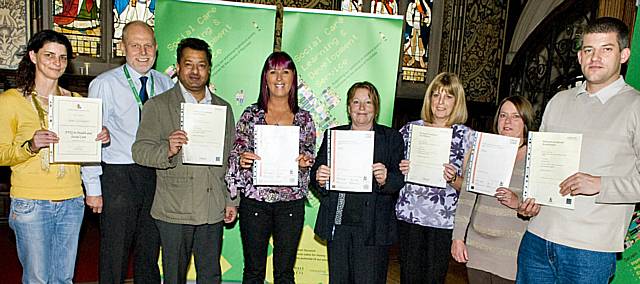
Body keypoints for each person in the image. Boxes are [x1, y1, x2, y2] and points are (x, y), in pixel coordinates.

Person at [516, 17, 640, 284]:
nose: (595, 57)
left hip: (590, 248)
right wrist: (531, 199)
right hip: (537, 237)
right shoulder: (559, 101)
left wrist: (600, 184)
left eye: (606, 49)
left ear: (624, 55)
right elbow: (540, 164)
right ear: (579, 56)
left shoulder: (635, 107)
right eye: (588, 50)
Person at [0, 30, 109, 283]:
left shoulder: (77, 101)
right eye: (49, 55)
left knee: (64, 278)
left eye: (62, 57)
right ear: (33, 56)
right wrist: (30, 145)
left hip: (72, 200)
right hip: (31, 201)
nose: (56, 62)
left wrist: (100, 138)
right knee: (37, 278)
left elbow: (86, 154)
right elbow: (2, 154)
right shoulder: (11, 101)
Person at [132, 37, 237, 284]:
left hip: (212, 207)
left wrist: (231, 199)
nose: (195, 71)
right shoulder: (158, 106)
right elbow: (139, 151)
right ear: (178, 67)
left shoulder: (223, 108)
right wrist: (167, 149)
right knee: (174, 276)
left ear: (209, 69)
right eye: (188, 64)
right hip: (174, 209)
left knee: (210, 275)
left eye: (201, 65)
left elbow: (231, 157)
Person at [81, 20, 174, 284]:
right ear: (123, 47)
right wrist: (93, 188)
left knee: (149, 248)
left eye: (148, 46)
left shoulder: (166, 84)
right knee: (115, 251)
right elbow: (91, 137)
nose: (143, 52)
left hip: (156, 175)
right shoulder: (104, 84)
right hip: (118, 175)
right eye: (135, 45)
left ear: (156, 49)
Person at [225, 51, 316, 283]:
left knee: (285, 273)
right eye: (273, 71)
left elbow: (309, 157)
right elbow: (235, 154)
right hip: (255, 202)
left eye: (285, 71)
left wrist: (305, 164)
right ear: (265, 77)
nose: (279, 77)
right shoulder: (250, 115)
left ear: (293, 78)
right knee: (254, 270)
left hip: (291, 204)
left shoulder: (304, 119)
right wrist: (242, 159)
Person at [312, 81, 404, 283]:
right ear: (348, 107)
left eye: (368, 102)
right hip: (339, 225)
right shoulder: (333, 136)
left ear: (376, 108)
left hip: (374, 227)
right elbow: (315, 175)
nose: (362, 108)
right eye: (356, 102)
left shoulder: (391, 138)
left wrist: (386, 179)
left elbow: (399, 178)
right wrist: (320, 177)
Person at [451, 96, 540, 284]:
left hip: (512, 252)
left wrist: (518, 202)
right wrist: (458, 238)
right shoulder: (483, 150)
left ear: (526, 121)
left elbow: (544, 206)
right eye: (503, 115)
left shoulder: (537, 158)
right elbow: (466, 198)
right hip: (477, 248)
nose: (507, 122)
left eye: (516, 116)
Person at [395, 72, 472, 284]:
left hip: (443, 220)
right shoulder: (410, 130)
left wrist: (454, 178)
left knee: (433, 278)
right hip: (410, 215)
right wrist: (401, 168)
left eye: (448, 96)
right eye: (436, 95)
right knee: (408, 277)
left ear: (457, 101)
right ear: (429, 99)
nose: (440, 102)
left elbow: (469, 186)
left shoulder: (466, 136)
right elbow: (392, 173)